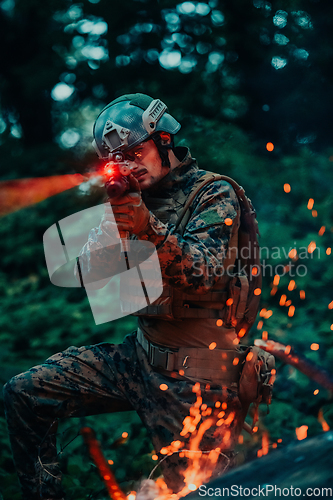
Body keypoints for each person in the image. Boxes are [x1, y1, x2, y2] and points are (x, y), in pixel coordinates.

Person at [3, 94, 252, 500]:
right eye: (120, 159)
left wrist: (145, 225)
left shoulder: (213, 194)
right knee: (24, 393)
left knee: (200, 490)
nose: (130, 165)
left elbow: (202, 276)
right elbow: (88, 275)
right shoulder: (131, 201)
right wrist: (116, 218)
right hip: (140, 356)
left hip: (198, 376)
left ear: (165, 140)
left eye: (136, 152)